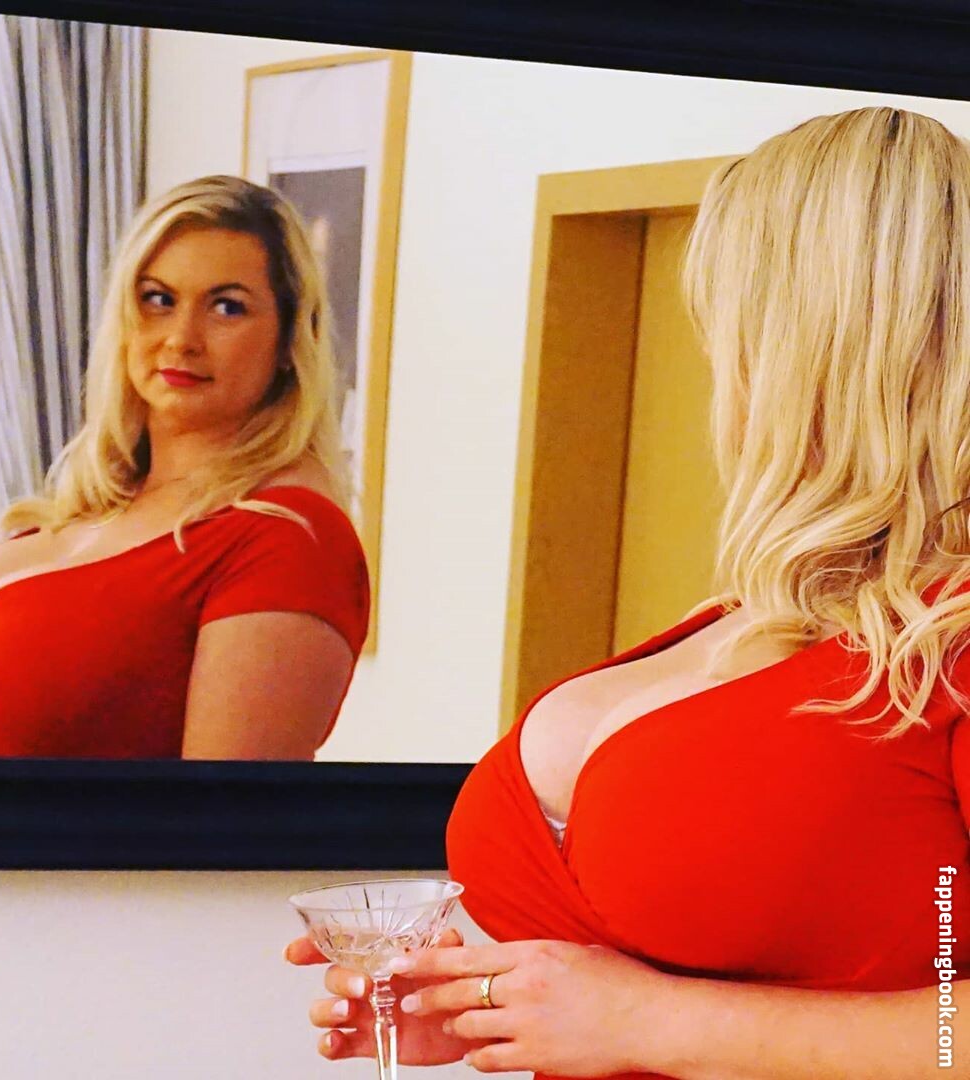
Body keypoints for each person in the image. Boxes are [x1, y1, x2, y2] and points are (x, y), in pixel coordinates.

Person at [287, 107, 970, 1077]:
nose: (719, 369)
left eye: (725, 323)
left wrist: (651, 1021)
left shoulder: (950, 636)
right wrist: (484, 1005)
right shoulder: (747, 618)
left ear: (801, 342)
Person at [0, 175, 369, 760]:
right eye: (158, 299)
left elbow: (224, 814)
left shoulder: (288, 539)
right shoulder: (100, 502)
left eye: (227, 307)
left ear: (290, 342)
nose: (181, 339)